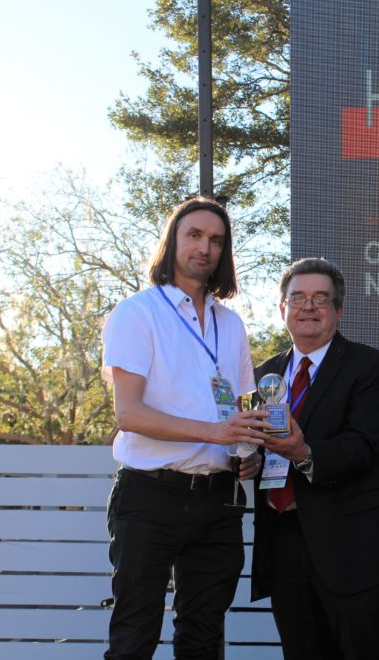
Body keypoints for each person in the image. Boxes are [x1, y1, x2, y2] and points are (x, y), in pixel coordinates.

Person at [101, 196, 269, 659]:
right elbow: (128, 415)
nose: (205, 247)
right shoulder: (137, 312)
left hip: (219, 500)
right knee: (134, 636)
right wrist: (214, 434)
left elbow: (236, 409)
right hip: (150, 496)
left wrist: (247, 453)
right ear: (172, 240)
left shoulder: (230, 324)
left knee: (203, 638)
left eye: (216, 240)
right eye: (194, 235)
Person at [252, 257, 379, 660]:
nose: (308, 307)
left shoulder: (369, 366)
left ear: (338, 310)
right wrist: (248, 463)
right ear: (282, 309)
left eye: (320, 299)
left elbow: (363, 446)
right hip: (283, 541)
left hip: (349, 545)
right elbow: (258, 449)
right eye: (298, 298)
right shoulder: (263, 376)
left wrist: (304, 453)